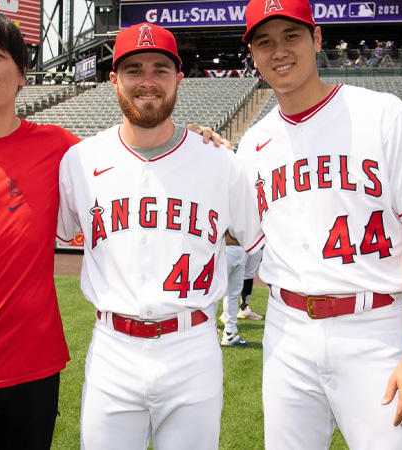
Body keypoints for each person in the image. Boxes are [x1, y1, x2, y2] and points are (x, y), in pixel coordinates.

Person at [0, 9, 224, 449]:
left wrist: (192, 138)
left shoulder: (65, 152)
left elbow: (135, 149)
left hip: (33, 374)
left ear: (23, 73)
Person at [237, 1, 402, 448]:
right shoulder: (254, 142)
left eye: (291, 36)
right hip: (286, 330)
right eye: (264, 41)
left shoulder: (382, 114)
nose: (279, 51)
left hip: (373, 327)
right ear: (254, 57)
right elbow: (229, 225)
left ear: (317, 39)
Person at [55, 22, 264, 450]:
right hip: (112, 349)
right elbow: (52, 232)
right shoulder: (80, 159)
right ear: (113, 80)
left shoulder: (221, 162)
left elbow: (260, 243)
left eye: (160, 69)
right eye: (133, 69)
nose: (147, 81)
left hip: (192, 347)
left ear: (178, 79)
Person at [219, 245, 254, 346]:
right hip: (224, 248)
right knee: (215, 293)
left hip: (241, 249)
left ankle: (230, 334)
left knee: (233, 294)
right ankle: (210, 331)